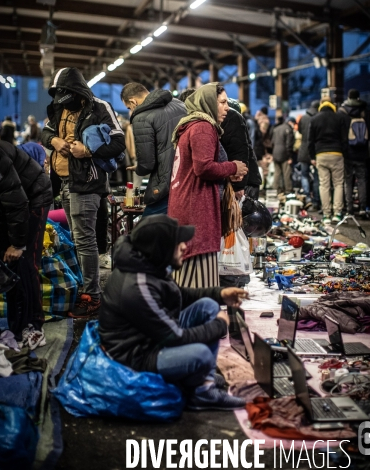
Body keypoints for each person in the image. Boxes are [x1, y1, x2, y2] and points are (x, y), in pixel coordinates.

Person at [98, 214, 247, 411]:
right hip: (137, 357)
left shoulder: (148, 263)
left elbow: (179, 295)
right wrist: (219, 325)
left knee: (208, 306)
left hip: (151, 338)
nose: (185, 246)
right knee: (200, 355)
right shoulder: (137, 287)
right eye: (178, 243)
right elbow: (174, 336)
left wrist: (220, 294)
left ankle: (203, 380)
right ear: (162, 248)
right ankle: (202, 394)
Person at [41, 66, 125, 318]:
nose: (64, 104)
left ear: (79, 93)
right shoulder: (59, 107)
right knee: (79, 240)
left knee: (85, 241)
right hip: (65, 183)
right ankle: (84, 290)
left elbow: (119, 143)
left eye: (68, 98)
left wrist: (89, 151)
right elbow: (46, 131)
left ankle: (92, 296)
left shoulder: (99, 107)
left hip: (87, 184)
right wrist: (53, 141)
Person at [168, 83, 248, 288]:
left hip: (187, 204)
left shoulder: (192, 125)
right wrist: (232, 167)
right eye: (221, 102)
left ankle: (186, 313)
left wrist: (228, 174)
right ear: (209, 103)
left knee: (186, 274)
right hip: (196, 208)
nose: (227, 107)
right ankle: (195, 315)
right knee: (197, 278)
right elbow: (203, 168)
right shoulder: (203, 127)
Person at [0, 139, 53, 348]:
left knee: (23, 260)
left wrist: (17, 244)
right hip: (5, 203)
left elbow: (17, 201)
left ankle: (32, 328)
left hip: (33, 197)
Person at [120, 83, 186, 216]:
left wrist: (139, 168)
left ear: (133, 101)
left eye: (129, 107)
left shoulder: (141, 117)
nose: (130, 111)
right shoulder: (178, 103)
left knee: (147, 229)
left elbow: (147, 165)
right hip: (188, 177)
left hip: (166, 183)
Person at [308, 98, 348, 224]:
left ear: (321, 104)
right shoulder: (339, 117)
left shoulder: (314, 119)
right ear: (332, 104)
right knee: (338, 184)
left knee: (324, 184)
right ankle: (337, 213)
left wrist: (312, 157)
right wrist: (344, 153)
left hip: (321, 154)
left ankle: (326, 215)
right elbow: (344, 138)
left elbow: (310, 141)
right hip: (337, 153)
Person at [338, 89, 370, 218]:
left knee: (348, 180)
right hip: (362, 151)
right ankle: (363, 208)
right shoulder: (364, 111)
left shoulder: (343, 111)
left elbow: (341, 132)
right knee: (362, 179)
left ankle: (349, 209)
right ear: (358, 97)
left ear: (348, 97)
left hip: (348, 151)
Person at [298, 101, 320, 209]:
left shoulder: (303, 117)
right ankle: (316, 200)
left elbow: (300, 131)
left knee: (304, 175)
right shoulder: (319, 117)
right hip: (316, 150)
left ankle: (307, 198)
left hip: (304, 149)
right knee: (317, 176)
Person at [271, 114, 294, 194]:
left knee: (277, 173)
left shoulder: (276, 129)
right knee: (286, 173)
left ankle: (275, 190)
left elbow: (272, 142)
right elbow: (289, 145)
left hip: (275, 153)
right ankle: (288, 190)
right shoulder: (288, 129)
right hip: (284, 154)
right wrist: (289, 157)